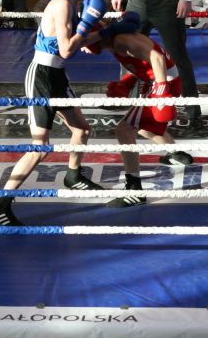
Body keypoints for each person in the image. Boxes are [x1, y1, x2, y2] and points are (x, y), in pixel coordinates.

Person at [0, 0, 106, 227]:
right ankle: (0, 204)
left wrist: (102, 33)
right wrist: (89, 27)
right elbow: (66, 49)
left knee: (81, 130)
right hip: (41, 76)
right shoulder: (63, 5)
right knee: (39, 147)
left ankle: (73, 176)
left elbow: (73, 45)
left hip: (57, 75)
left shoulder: (73, 4)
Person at [82, 13, 194, 207]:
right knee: (142, 127)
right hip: (159, 80)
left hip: (162, 82)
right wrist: (125, 83)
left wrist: (161, 90)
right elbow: (142, 63)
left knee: (123, 130)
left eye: (83, 42)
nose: (83, 48)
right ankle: (175, 153)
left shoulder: (121, 41)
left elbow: (156, 57)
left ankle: (134, 190)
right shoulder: (116, 42)